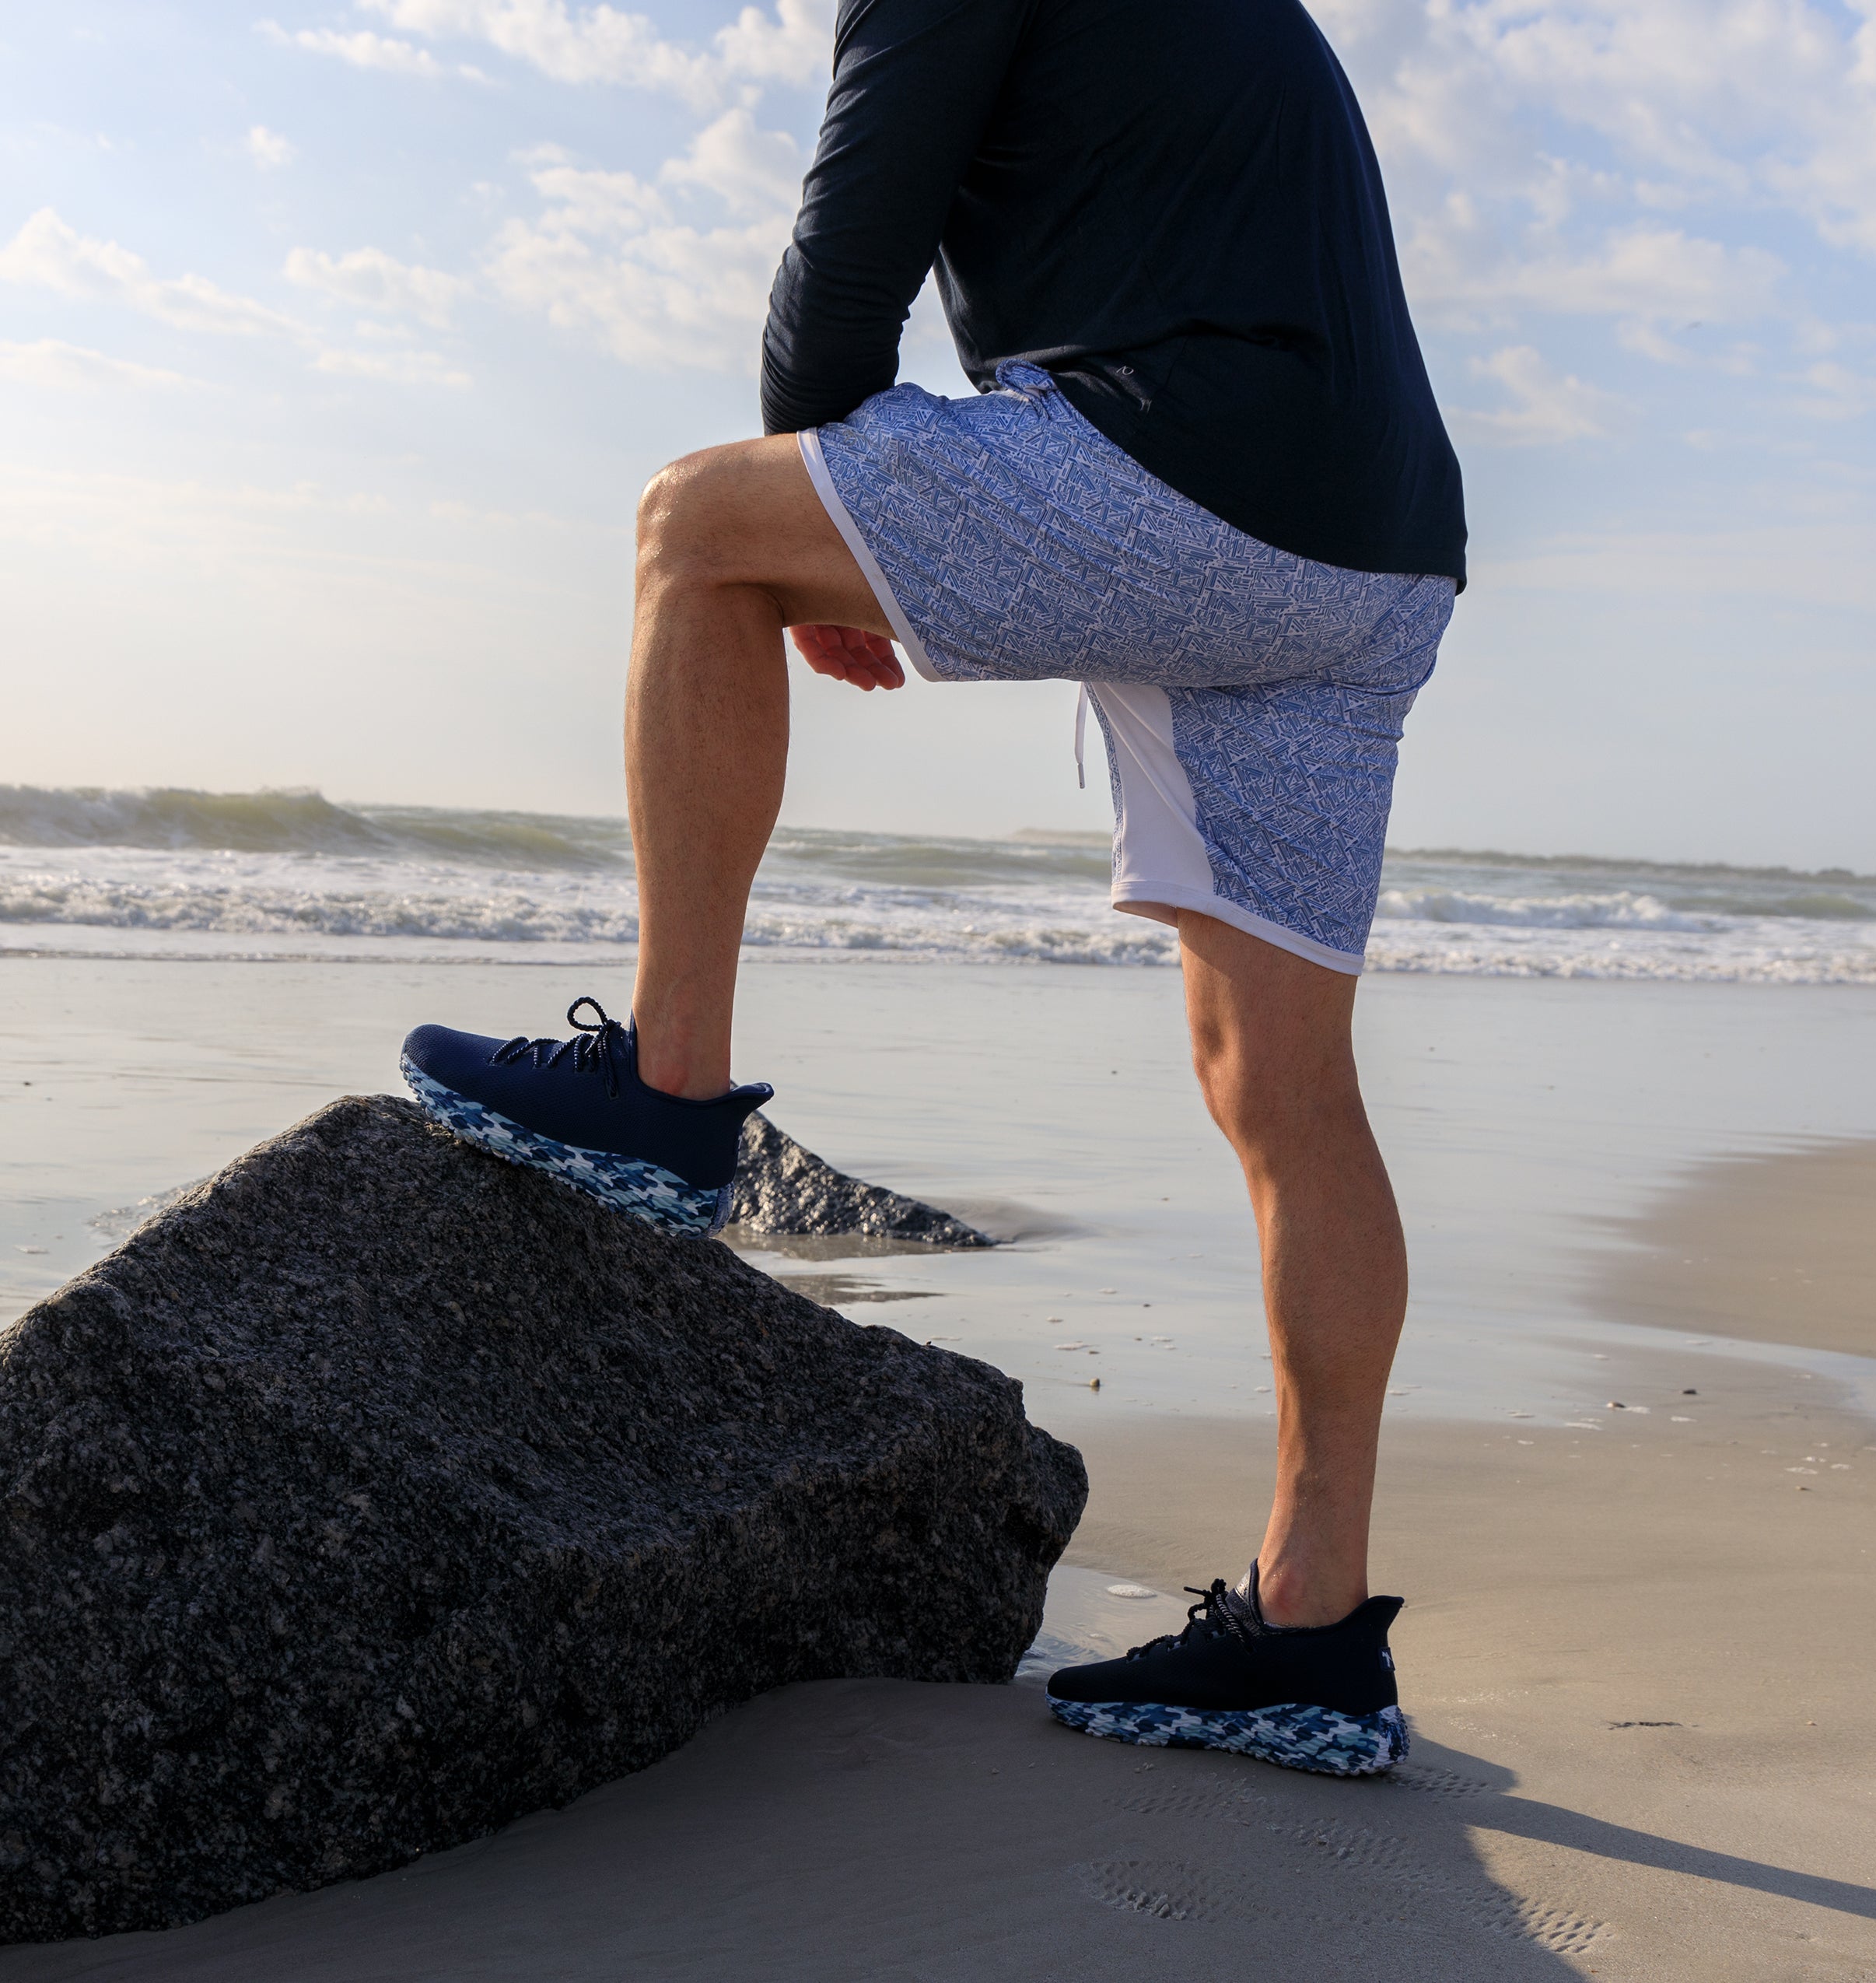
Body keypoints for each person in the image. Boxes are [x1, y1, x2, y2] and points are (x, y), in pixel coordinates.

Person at [401, 0, 1464, 1778]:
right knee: (1283, 1088)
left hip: (1196, 469)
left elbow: (843, 279)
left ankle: (666, 1084)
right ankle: (1312, 1629)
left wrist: (809, 556)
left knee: (693, 528)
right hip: (1377, 550)